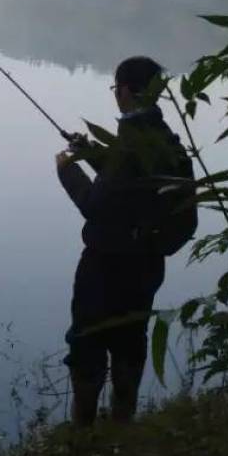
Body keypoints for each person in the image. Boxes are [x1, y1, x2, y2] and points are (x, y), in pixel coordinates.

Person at [55, 56, 197, 426]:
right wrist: (91, 152)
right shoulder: (168, 142)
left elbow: (95, 205)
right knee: (130, 342)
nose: (115, 95)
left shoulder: (132, 141)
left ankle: (82, 437)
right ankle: (123, 431)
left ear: (127, 92)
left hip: (105, 267)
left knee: (87, 343)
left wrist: (67, 171)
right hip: (146, 267)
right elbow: (135, 186)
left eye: (115, 88)